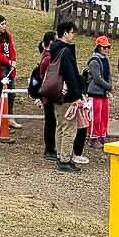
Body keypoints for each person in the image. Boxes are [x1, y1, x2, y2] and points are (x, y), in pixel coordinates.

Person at [51, 20, 86, 173]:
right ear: (65, 33)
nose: (73, 35)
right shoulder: (65, 51)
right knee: (69, 128)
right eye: (71, 32)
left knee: (60, 126)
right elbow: (70, 75)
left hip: (56, 93)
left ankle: (60, 156)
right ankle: (65, 159)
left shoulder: (54, 50)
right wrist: (77, 95)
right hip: (67, 96)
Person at [84, 36, 114, 151]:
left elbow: (108, 75)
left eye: (108, 47)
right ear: (99, 47)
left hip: (103, 92)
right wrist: (108, 86)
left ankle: (101, 135)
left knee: (103, 116)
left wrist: (108, 86)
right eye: (104, 47)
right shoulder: (94, 61)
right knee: (95, 117)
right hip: (95, 92)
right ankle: (93, 138)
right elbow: (97, 78)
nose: (106, 49)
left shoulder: (105, 59)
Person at [33, 31, 57, 161]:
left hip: (47, 94)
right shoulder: (48, 58)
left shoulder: (46, 55)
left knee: (51, 122)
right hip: (48, 95)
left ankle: (50, 148)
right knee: (50, 122)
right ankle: (49, 149)